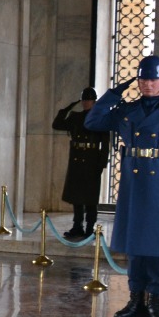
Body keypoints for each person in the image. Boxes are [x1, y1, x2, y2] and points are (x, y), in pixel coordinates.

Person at [85, 54, 159, 317]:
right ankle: (135, 299)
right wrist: (113, 94)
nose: (147, 84)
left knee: (157, 246)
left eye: (153, 79)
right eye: (143, 79)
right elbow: (93, 122)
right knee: (135, 243)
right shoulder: (126, 110)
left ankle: (154, 301)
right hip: (134, 182)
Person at [52, 86, 110, 239]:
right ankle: (77, 225)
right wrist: (68, 108)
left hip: (92, 159)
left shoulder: (100, 118)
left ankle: (90, 227)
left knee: (90, 197)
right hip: (76, 158)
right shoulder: (75, 117)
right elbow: (56, 124)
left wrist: (102, 163)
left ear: (94, 101)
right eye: (84, 100)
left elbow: (105, 143)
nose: (86, 103)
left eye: (89, 100)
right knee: (76, 196)